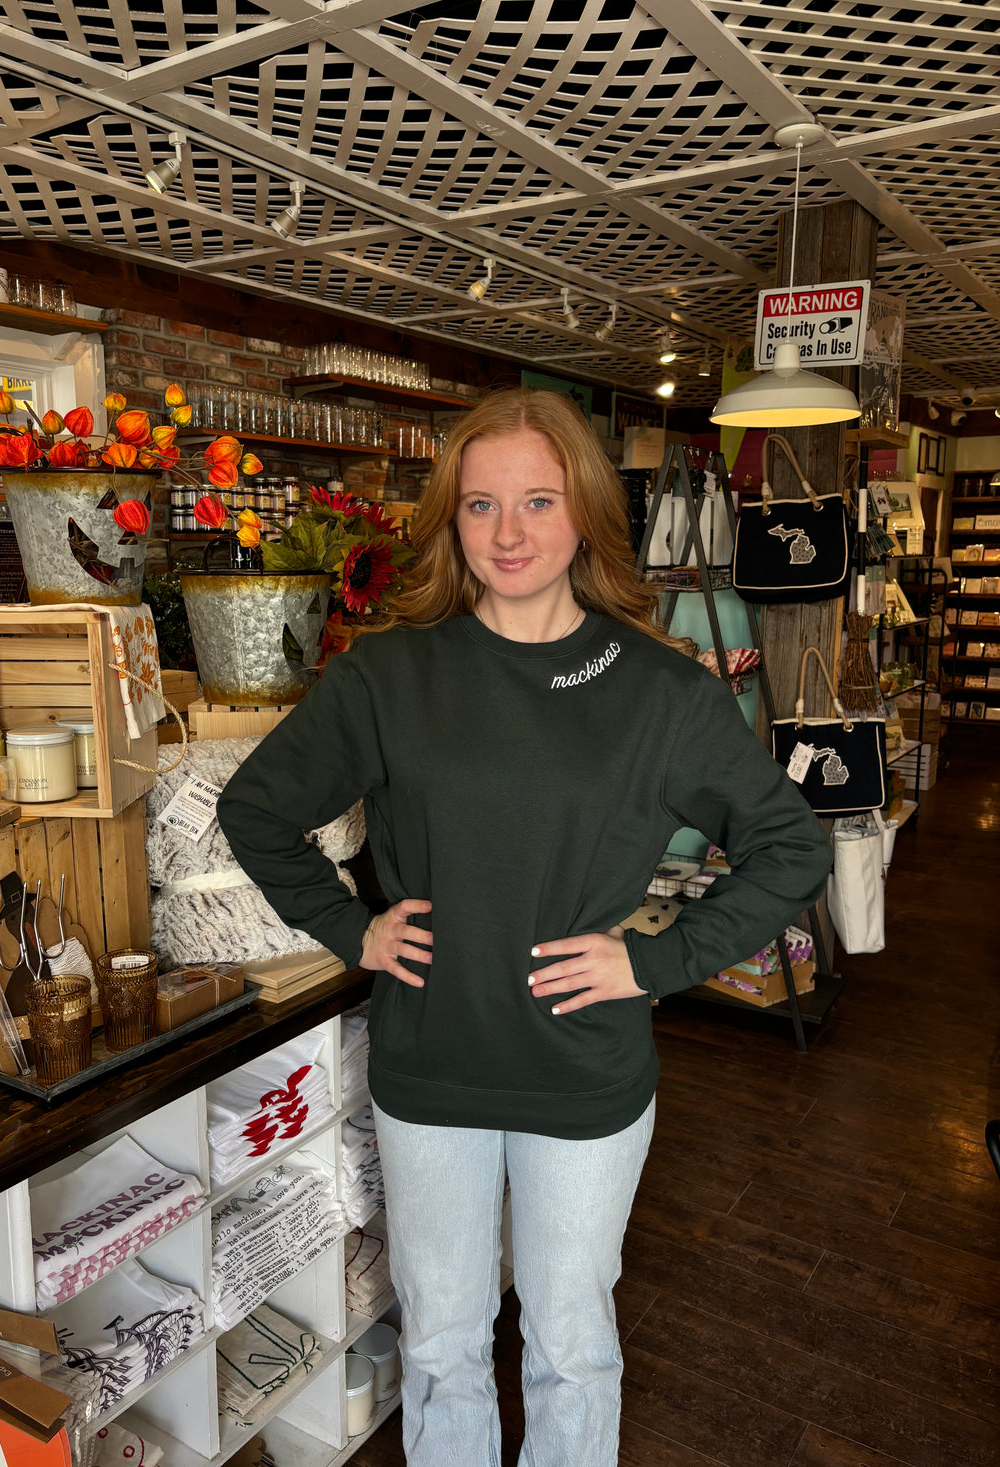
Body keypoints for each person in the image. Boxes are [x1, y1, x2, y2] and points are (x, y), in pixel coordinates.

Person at [217, 388, 831, 1467]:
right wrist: (349, 929)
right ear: (448, 521)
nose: (507, 533)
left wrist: (653, 962)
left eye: (537, 502)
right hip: (431, 1066)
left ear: (585, 514)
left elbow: (789, 847)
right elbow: (257, 811)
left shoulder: (658, 692)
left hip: (581, 1078)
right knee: (445, 1346)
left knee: (570, 1349)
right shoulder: (391, 674)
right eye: (480, 505)